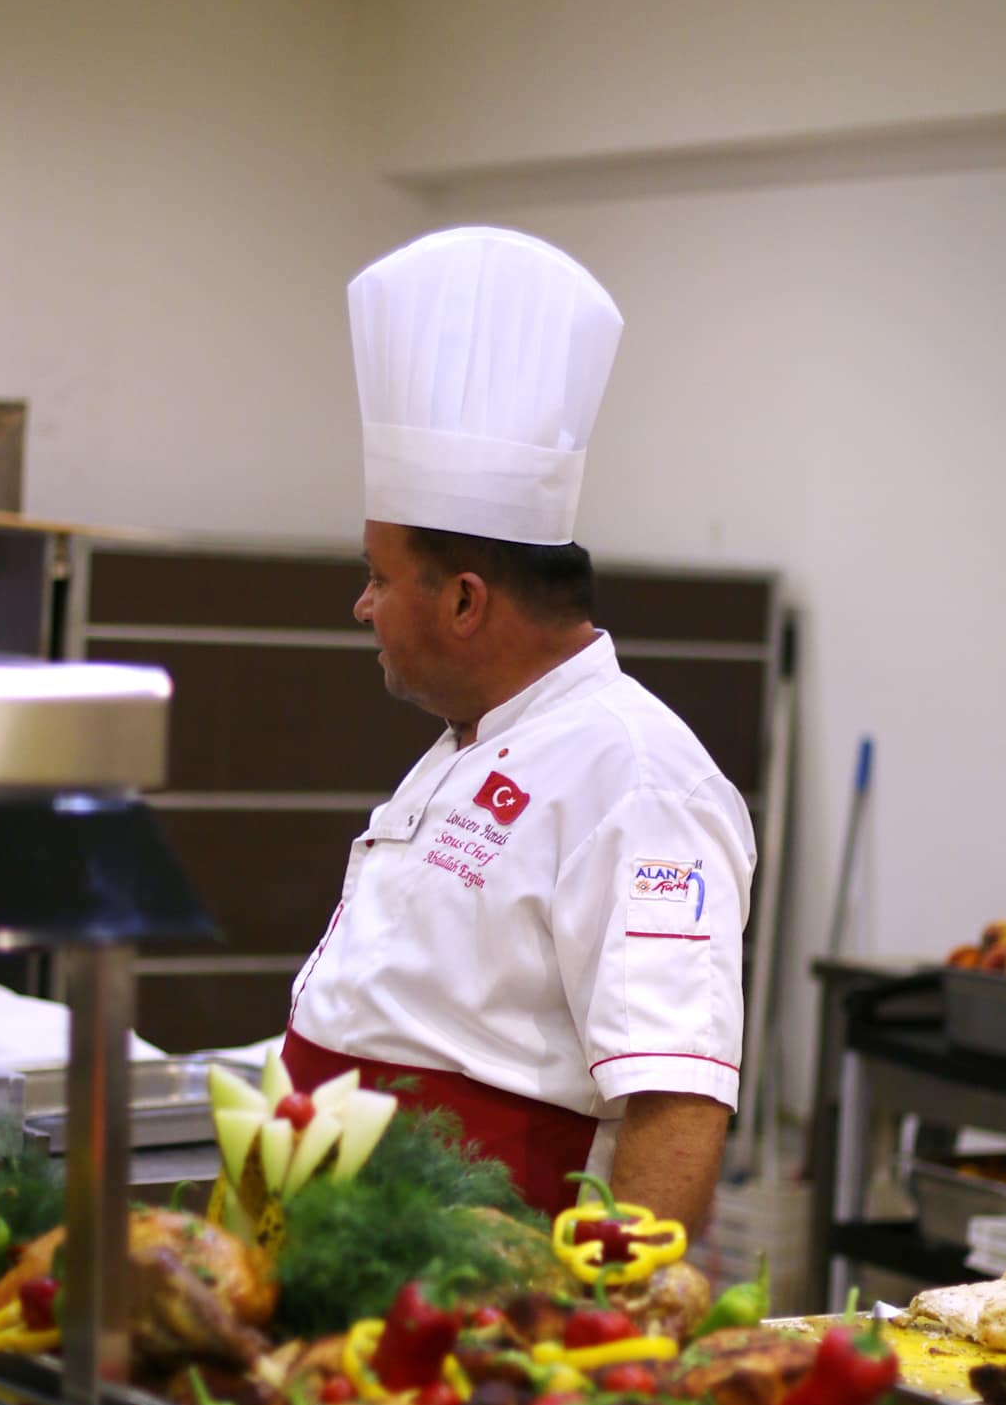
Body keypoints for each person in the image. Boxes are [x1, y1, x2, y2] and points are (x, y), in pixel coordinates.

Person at [281, 227, 756, 1233]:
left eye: (377, 578)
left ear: (464, 600)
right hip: (350, 1249)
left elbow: (676, 1100)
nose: (361, 607)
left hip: (482, 1266)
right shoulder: (470, 739)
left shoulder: (637, 779)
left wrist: (616, 1314)